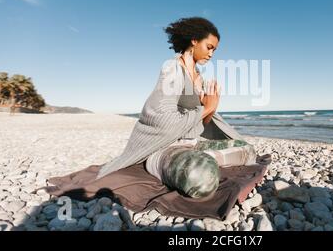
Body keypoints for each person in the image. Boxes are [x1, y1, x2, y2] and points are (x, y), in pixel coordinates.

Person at [95, 17, 257, 198]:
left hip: (192, 144)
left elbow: (200, 125)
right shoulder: (172, 68)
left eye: (214, 50)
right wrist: (207, 107)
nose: (211, 54)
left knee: (248, 150)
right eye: (209, 47)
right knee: (201, 178)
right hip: (165, 148)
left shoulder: (199, 78)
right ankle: (197, 163)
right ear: (194, 40)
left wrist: (210, 107)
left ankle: (205, 159)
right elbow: (159, 117)